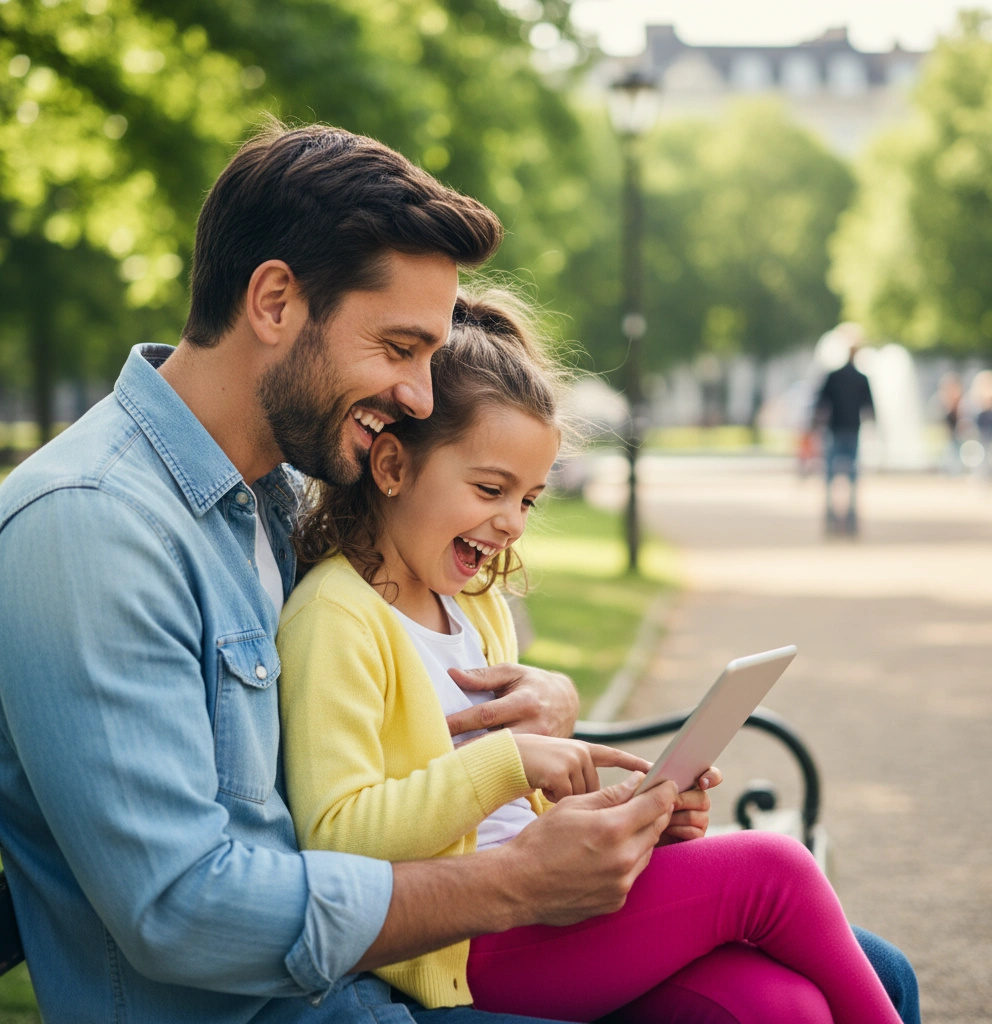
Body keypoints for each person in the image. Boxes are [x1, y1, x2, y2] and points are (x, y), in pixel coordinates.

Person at [0, 121, 918, 1024]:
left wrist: (556, 730)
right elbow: (182, 910)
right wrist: (511, 884)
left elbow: (395, 723)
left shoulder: (279, 487)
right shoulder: (92, 527)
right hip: (316, 1005)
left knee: (867, 974)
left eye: (432, 357)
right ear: (274, 302)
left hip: (372, 980)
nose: (422, 398)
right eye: (400, 349)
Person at [277, 289, 910, 1024]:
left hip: (545, 908)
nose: (512, 522)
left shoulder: (474, 604)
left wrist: (621, 812)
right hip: (462, 942)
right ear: (391, 465)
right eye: (491, 489)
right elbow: (336, 836)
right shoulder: (335, 616)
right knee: (774, 868)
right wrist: (512, 759)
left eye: (531, 500)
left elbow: (514, 815)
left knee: (781, 1006)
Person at [813, 327, 875, 535]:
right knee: (852, 477)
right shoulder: (861, 378)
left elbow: (820, 404)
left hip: (835, 429)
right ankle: (850, 518)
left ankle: (831, 516)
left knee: (830, 476)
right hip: (852, 430)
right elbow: (870, 409)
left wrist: (814, 425)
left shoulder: (833, 376)